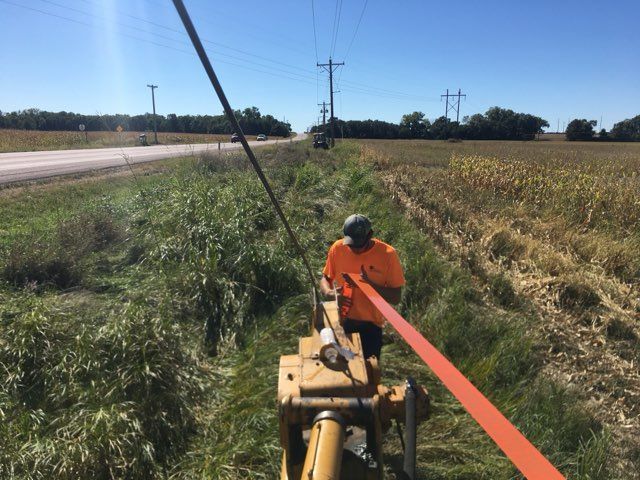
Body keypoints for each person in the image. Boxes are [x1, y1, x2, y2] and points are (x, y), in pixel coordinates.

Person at [320, 214, 405, 360]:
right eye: (352, 245)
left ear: (370, 235)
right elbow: (325, 278)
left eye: (360, 245)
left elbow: (396, 297)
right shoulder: (337, 249)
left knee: (369, 375)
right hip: (343, 323)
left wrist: (370, 286)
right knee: (342, 370)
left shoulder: (388, 255)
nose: (356, 250)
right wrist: (329, 293)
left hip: (371, 327)